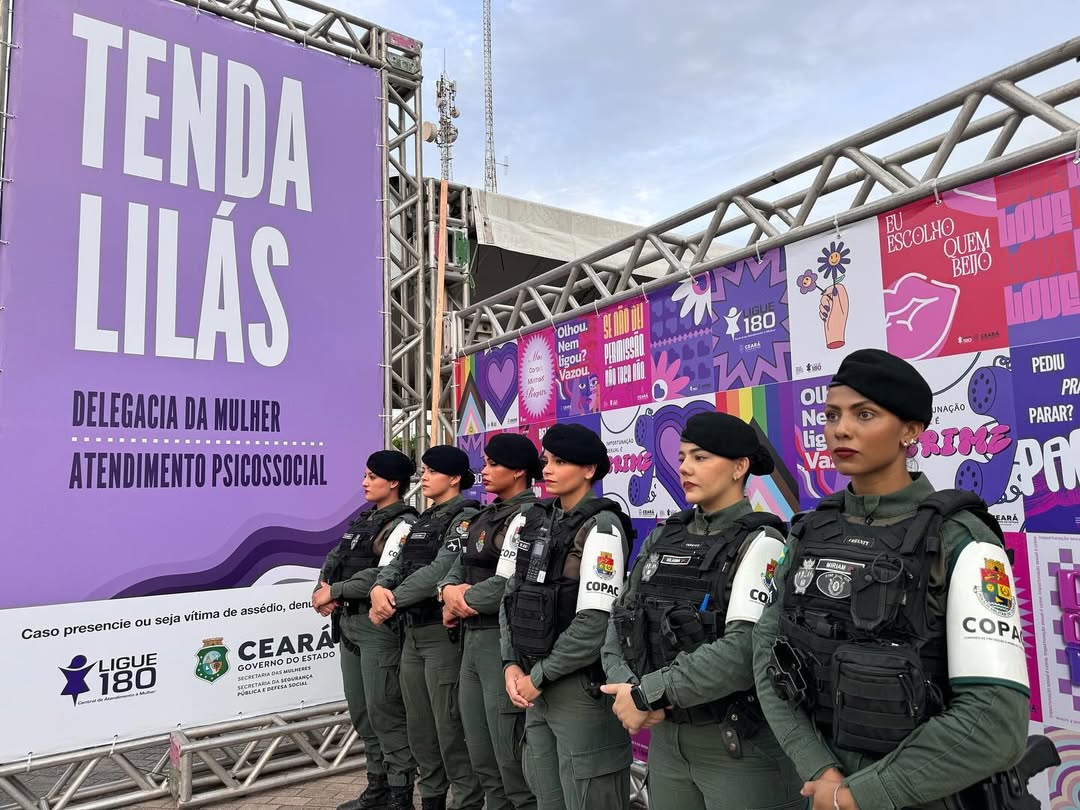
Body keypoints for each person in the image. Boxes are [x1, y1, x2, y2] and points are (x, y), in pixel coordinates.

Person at [754, 348, 1032, 810]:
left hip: (918, 794)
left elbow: (994, 720)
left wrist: (858, 795)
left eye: (865, 414)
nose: (841, 429)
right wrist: (820, 770)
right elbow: (767, 654)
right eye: (832, 414)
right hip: (823, 787)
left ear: (911, 430)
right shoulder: (808, 531)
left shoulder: (960, 538)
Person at [601, 412, 804, 810]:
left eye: (701, 457)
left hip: (736, 746)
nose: (685, 468)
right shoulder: (664, 535)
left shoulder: (762, 541)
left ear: (739, 467)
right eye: (681, 457)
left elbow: (743, 653)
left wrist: (647, 694)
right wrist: (627, 687)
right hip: (668, 741)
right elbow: (620, 617)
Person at [500, 423, 634, 810]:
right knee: (548, 795)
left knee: (589, 797)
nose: (549, 469)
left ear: (589, 469)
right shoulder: (535, 519)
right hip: (534, 682)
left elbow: (595, 623)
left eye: (561, 462)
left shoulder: (602, 527)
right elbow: (512, 593)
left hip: (577, 688)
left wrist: (538, 677)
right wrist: (511, 663)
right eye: (547, 460)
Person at [370, 445, 484, 810]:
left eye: (432, 471)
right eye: (423, 470)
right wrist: (379, 588)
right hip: (412, 635)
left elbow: (439, 571)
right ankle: (431, 800)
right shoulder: (421, 519)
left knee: (450, 730)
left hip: (441, 635)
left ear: (453, 478)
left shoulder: (465, 517)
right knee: (421, 731)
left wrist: (391, 600)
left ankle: (466, 801)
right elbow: (398, 560)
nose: (425, 478)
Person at [439, 433, 542, 810]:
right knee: (482, 757)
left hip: (499, 646)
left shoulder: (531, 516)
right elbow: (452, 570)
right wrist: (448, 594)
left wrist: (458, 599)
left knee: (510, 763)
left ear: (517, 471)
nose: (483, 470)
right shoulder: (483, 515)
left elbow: (507, 584)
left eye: (492, 463)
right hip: (470, 643)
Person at [312, 450, 419, 810]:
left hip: (378, 629)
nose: (364, 482)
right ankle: (378, 788)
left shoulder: (403, 524)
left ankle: (400, 794)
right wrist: (320, 590)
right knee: (361, 712)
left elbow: (380, 575)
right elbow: (334, 560)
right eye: (365, 475)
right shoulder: (363, 521)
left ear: (393, 482)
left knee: (384, 711)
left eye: (373, 476)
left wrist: (335, 592)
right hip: (348, 625)